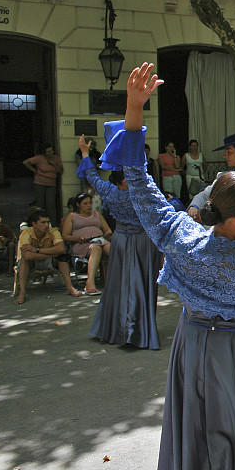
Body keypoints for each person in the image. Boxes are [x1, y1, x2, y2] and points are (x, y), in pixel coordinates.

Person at [103, 62, 235, 470]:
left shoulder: (179, 234)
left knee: (196, 424)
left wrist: (134, 109)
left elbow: (138, 178)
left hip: (193, 343)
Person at [77, 136, 162, 349]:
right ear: (123, 180)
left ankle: (118, 328)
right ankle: (136, 331)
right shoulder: (142, 195)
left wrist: (85, 154)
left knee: (120, 285)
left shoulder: (109, 191)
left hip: (121, 240)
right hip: (141, 241)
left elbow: (91, 176)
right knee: (140, 284)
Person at [14, 210, 83, 304]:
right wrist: (51, 253)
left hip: (48, 260)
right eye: (43, 222)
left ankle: (70, 288)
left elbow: (61, 249)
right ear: (34, 224)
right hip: (33, 261)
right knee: (24, 261)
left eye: (48, 222)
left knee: (62, 256)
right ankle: (22, 293)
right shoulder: (26, 233)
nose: (46, 225)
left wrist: (36, 250)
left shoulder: (53, 231)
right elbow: (27, 255)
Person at [61, 192, 112, 295]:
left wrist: (107, 234)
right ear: (78, 205)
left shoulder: (97, 214)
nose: (89, 205)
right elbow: (65, 236)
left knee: (111, 248)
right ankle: (90, 283)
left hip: (99, 240)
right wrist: (78, 238)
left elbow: (107, 230)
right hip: (82, 243)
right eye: (85, 203)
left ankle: (123, 280)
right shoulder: (72, 216)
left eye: (90, 203)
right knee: (96, 248)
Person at [23, 143, 63, 226]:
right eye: (48, 152)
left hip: (51, 183)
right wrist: (34, 170)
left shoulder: (56, 159)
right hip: (39, 183)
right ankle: (39, 223)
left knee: (51, 204)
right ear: (45, 153)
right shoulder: (39, 158)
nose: (51, 153)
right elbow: (25, 162)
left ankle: (53, 224)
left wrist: (54, 163)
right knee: (40, 204)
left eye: (51, 151)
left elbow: (60, 171)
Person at [0, 212, 17, 276]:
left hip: (6, 249)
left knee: (11, 244)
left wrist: (6, 240)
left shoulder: (6, 227)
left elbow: (14, 240)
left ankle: (10, 269)